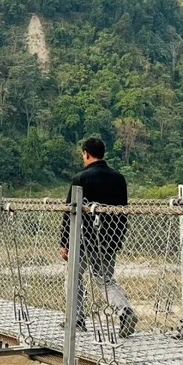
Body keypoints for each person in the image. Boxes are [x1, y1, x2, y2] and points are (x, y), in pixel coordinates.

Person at [60, 137, 135, 337]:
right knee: (105, 280)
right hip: (109, 239)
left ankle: (76, 320)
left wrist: (65, 243)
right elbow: (122, 211)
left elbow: (70, 213)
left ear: (86, 153)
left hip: (82, 239)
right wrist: (117, 238)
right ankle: (124, 310)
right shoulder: (119, 178)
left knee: (74, 277)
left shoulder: (80, 179)